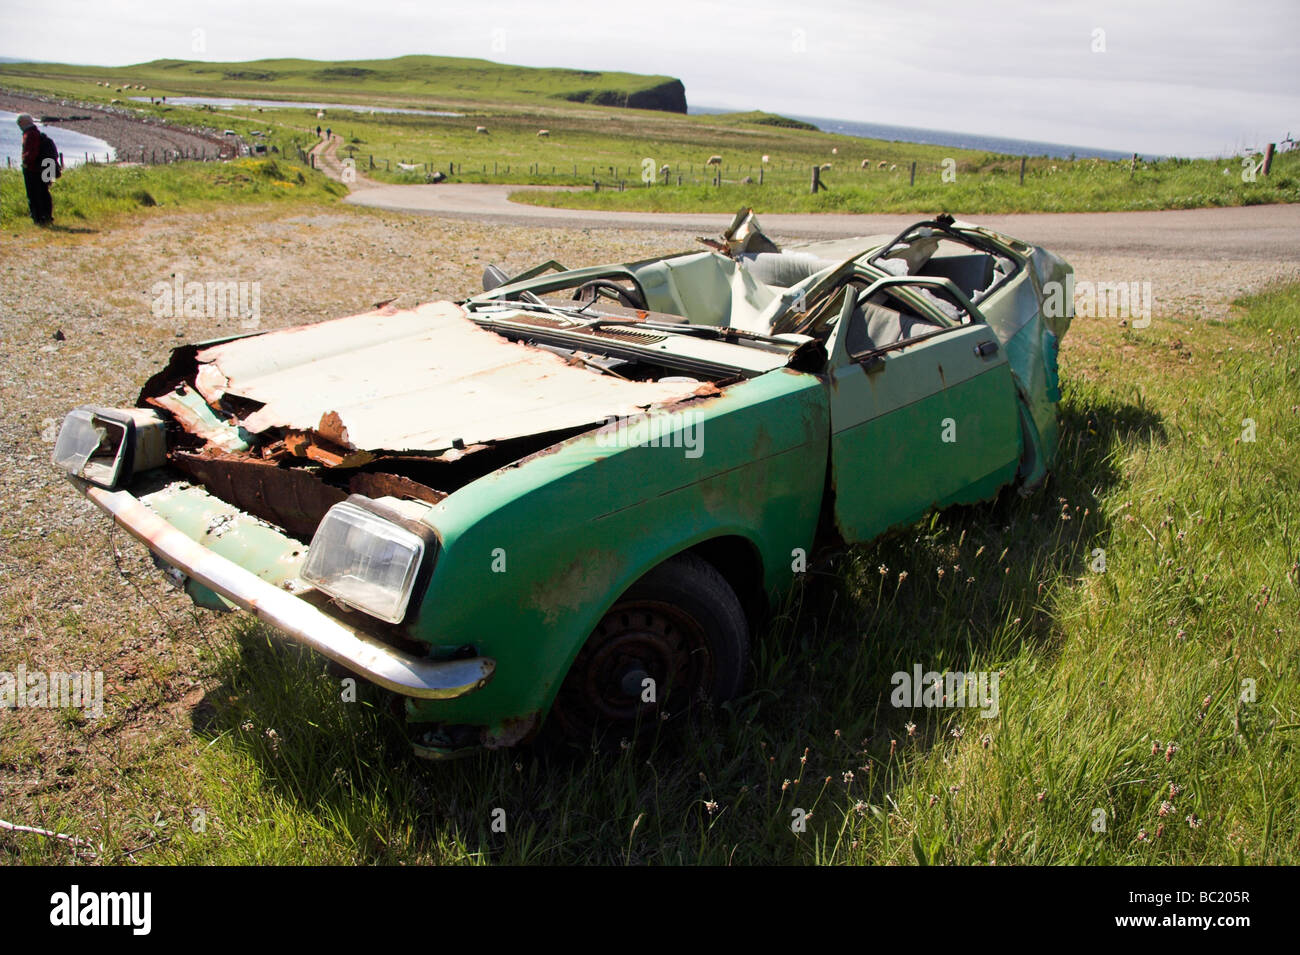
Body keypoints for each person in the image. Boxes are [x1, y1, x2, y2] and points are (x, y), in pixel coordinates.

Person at [17, 113, 53, 225]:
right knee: (44, 192)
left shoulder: (30, 134)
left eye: (19, 123)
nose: (18, 125)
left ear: (24, 123)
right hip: (43, 168)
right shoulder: (37, 133)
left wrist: (25, 163)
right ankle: (46, 217)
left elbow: (31, 153)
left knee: (34, 194)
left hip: (33, 169)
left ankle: (39, 218)